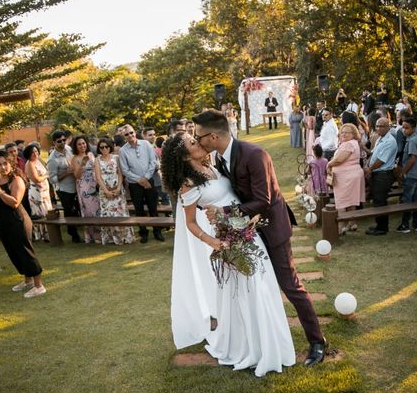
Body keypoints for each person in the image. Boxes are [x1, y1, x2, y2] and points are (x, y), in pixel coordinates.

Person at [192, 109, 327, 367]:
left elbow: (263, 200)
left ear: (212, 137)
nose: (196, 141)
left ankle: (317, 342)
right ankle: (259, 342)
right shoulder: (220, 159)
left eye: (198, 137)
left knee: (290, 286)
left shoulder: (255, 155)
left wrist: (225, 212)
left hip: (271, 229)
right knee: (255, 290)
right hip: (246, 233)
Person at [161, 133, 295, 377]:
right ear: (183, 155)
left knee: (262, 285)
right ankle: (249, 347)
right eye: (192, 143)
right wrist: (214, 242)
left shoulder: (212, 166)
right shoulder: (189, 184)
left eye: (195, 138)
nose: (198, 143)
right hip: (228, 239)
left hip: (248, 231)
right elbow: (191, 223)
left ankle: (270, 340)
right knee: (246, 291)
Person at [0, 151, 46, 298]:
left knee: (25, 251)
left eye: (5, 163)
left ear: (11, 163)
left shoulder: (16, 180)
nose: (3, 167)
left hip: (18, 221)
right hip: (2, 223)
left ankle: (39, 285)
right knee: (14, 253)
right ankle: (27, 281)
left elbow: (14, 202)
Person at [119, 124, 165, 243]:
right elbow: (125, 170)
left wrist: (146, 178)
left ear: (135, 132)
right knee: (139, 210)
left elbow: (153, 162)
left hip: (149, 180)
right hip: (134, 184)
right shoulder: (123, 150)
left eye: (131, 132)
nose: (130, 135)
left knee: (153, 208)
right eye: (126, 134)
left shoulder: (146, 144)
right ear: (124, 137)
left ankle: (157, 232)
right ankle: (143, 233)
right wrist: (139, 180)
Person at [94, 137, 135, 245]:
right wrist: (106, 191)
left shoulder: (116, 158)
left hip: (118, 190)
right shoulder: (97, 160)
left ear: (110, 146)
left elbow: (120, 174)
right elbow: (98, 177)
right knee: (108, 215)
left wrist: (118, 188)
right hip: (105, 192)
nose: (104, 149)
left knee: (120, 213)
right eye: (101, 147)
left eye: (106, 146)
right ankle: (112, 238)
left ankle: (125, 237)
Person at [327, 124, 365, 234]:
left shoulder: (348, 144)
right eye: (342, 132)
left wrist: (329, 164)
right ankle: (352, 223)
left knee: (342, 201)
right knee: (351, 201)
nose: (343, 134)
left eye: (347, 132)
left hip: (346, 177)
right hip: (352, 175)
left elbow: (339, 160)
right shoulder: (353, 143)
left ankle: (340, 227)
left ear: (353, 134)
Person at [363, 118, 397, 235]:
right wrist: (368, 164)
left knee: (381, 201)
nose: (378, 128)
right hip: (376, 173)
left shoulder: (390, 141)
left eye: (381, 126)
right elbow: (373, 154)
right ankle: (379, 225)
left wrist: (369, 169)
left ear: (388, 127)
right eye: (377, 126)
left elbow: (381, 160)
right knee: (377, 200)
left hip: (383, 175)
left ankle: (382, 228)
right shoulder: (379, 139)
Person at [47, 131, 82, 243]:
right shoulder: (52, 159)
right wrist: (67, 172)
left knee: (78, 210)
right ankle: (73, 235)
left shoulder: (69, 149)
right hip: (65, 190)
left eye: (63, 140)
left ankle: (81, 231)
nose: (62, 142)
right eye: (59, 141)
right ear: (54, 142)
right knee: (69, 212)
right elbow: (52, 179)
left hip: (77, 185)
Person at [396, 118, 417, 233]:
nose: (404, 130)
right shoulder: (412, 138)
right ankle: (416, 224)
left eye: (407, 128)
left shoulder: (412, 140)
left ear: (413, 128)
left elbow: (412, 159)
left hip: (412, 174)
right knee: (414, 199)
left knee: (407, 199)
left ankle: (405, 224)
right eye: (403, 127)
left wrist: (404, 172)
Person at [71, 135, 101, 243]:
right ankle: (92, 235)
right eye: (79, 144)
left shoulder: (91, 154)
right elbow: (77, 176)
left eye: (83, 143)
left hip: (95, 185)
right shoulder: (75, 159)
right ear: (76, 146)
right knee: (89, 210)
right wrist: (82, 164)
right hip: (84, 187)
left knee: (98, 209)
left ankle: (101, 234)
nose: (82, 146)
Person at [24, 144, 53, 241]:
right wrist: (46, 176)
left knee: (47, 211)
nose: (35, 154)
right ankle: (39, 235)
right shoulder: (29, 164)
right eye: (32, 152)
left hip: (45, 191)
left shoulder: (39, 161)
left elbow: (46, 169)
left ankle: (48, 233)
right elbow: (35, 179)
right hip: (36, 193)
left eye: (36, 151)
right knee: (39, 212)